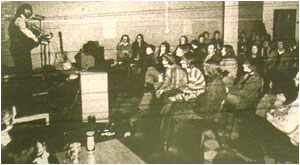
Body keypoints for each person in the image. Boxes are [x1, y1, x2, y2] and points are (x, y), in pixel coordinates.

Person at [8, 4, 40, 116]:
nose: (29, 13)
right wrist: (36, 38)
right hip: (20, 51)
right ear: (23, 11)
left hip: (19, 51)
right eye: (28, 11)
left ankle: (24, 101)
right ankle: (25, 103)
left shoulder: (18, 20)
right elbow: (25, 31)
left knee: (24, 74)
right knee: (25, 75)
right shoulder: (19, 20)